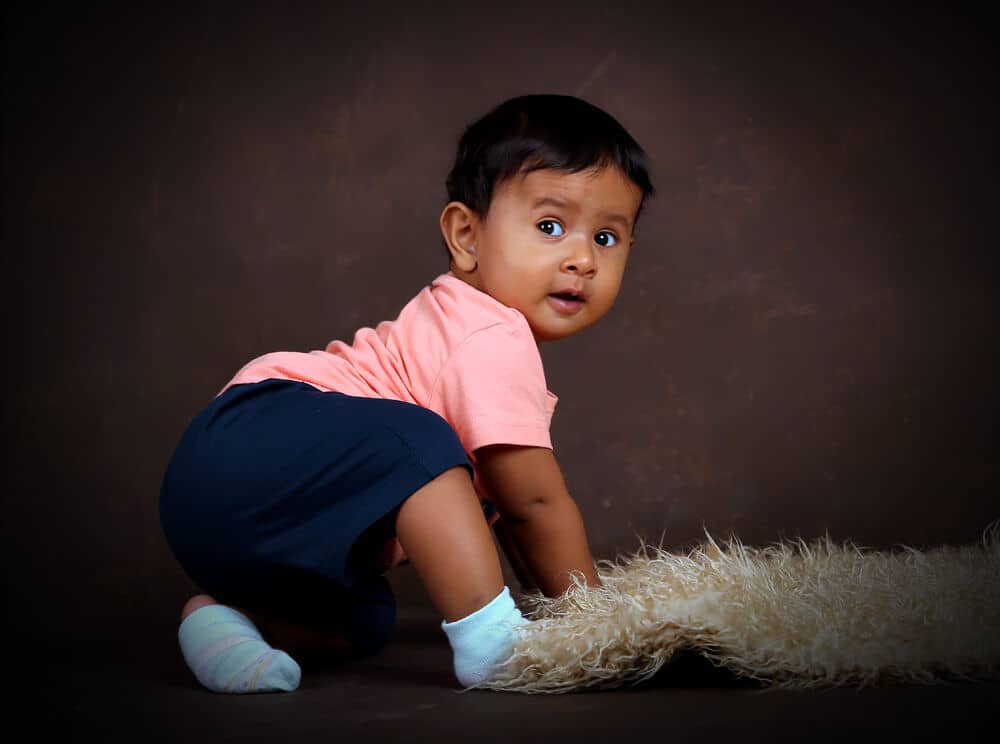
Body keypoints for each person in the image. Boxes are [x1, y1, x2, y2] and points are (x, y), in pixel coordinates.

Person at [159, 93, 656, 694]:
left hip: (236, 514)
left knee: (367, 619)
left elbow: (513, 518)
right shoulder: (489, 332)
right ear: (466, 236)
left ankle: (225, 621)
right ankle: (495, 647)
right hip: (254, 437)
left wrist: (553, 613)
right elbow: (536, 507)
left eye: (607, 238)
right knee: (419, 439)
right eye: (550, 226)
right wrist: (601, 628)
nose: (580, 259)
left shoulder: (466, 328)